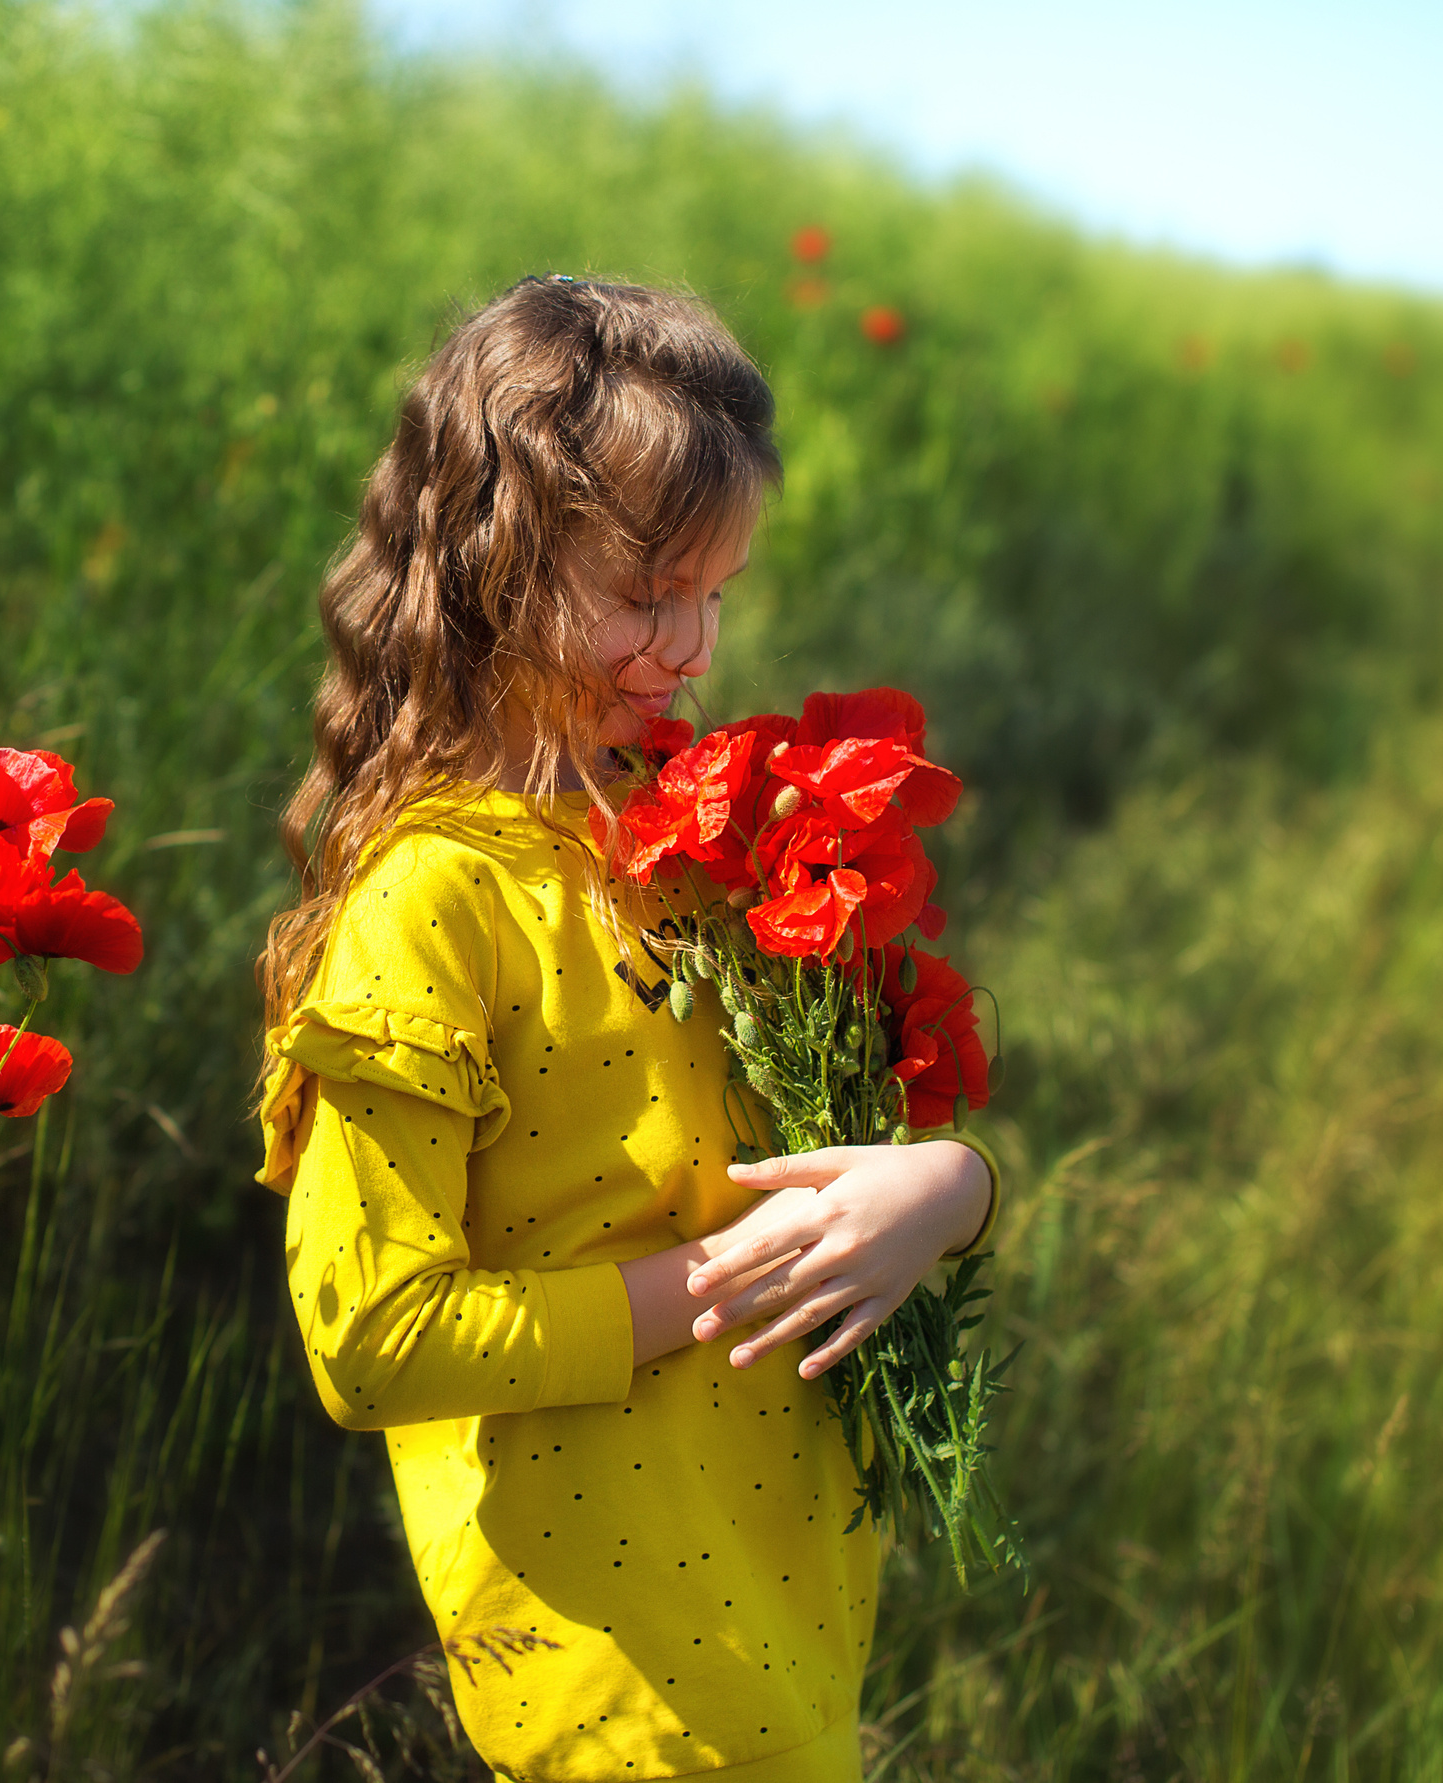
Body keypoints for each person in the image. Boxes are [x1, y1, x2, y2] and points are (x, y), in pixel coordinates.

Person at [255, 275, 998, 1781]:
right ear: (489, 570)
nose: (694, 645)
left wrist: (954, 1192)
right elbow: (371, 1339)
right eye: (646, 594)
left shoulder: (695, 851)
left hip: (786, 1587)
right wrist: (717, 1287)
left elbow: (829, 1172)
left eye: (717, 591)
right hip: (617, 1661)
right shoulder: (437, 905)